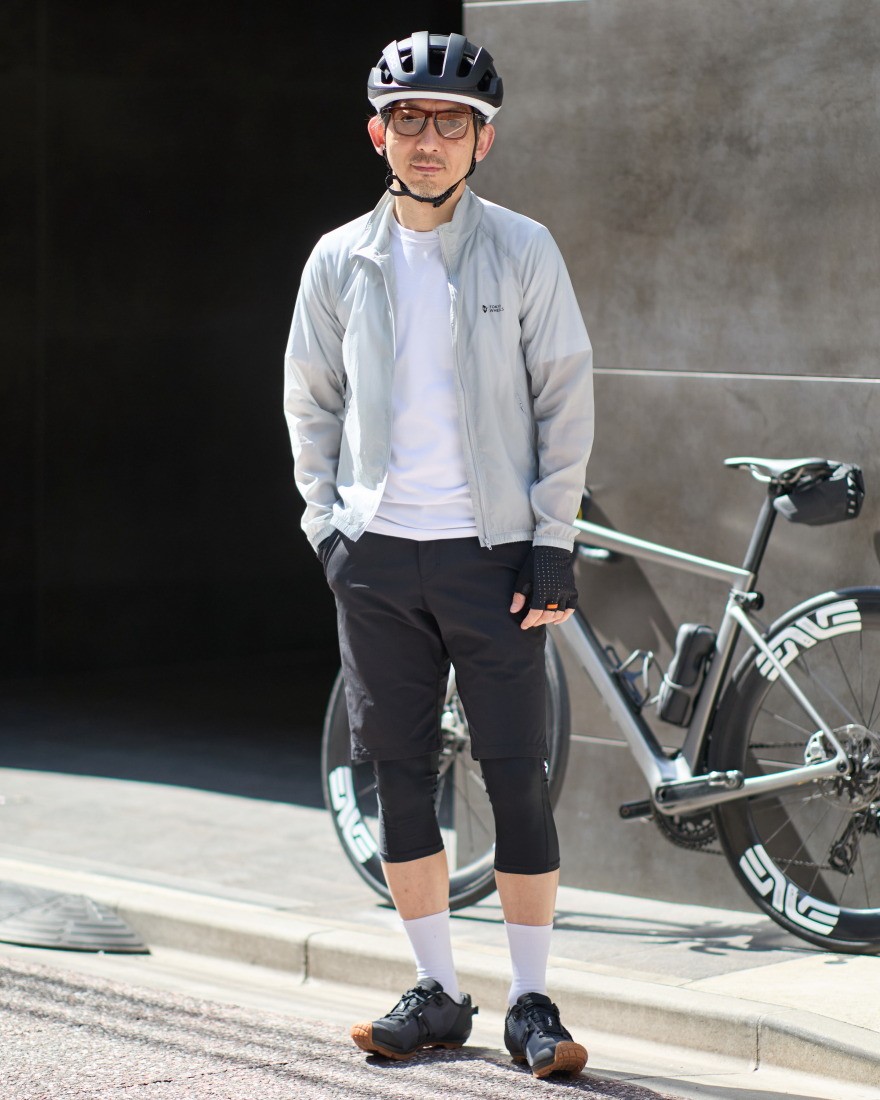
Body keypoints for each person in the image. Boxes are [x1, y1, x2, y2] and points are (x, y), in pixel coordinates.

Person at [284, 31, 594, 1079]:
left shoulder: (524, 249)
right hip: (376, 555)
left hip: (491, 555)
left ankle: (532, 1002)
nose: (428, 139)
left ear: (482, 142)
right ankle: (436, 991)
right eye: (408, 119)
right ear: (378, 133)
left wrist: (551, 541)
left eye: (450, 122)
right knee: (398, 776)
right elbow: (310, 400)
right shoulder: (340, 258)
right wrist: (327, 527)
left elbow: (564, 396)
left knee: (516, 776)